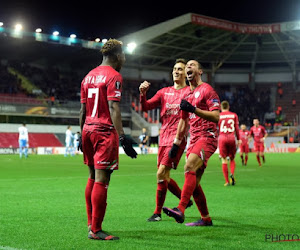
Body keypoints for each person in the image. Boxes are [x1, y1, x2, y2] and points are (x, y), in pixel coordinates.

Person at [79, 39, 137, 241]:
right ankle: (96, 230)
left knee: (92, 176)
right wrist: (123, 137)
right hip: (104, 132)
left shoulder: (87, 77)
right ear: (117, 55)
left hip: (87, 129)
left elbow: (83, 110)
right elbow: (114, 108)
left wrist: (81, 134)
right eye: (124, 55)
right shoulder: (114, 76)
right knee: (102, 180)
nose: (125, 59)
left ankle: (90, 222)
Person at [162, 59, 220, 227]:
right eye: (186, 66)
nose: (188, 67)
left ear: (200, 71)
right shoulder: (187, 95)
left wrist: (194, 109)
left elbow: (216, 116)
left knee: (189, 167)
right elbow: (183, 121)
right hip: (193, 139)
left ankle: (181, 208)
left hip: (207, 136)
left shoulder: (207, 90)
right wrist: (176, 143)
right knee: (194, 184)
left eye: (191, 65)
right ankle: (206, 218)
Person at [139, 58, 193, 222]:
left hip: (177, 138)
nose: (176, 71)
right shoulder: (164, 92)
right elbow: (146, 107)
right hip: (163, 137)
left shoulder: (190, 92)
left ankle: (157, 213)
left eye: (180, 69)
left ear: (185, 74)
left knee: (161, 173)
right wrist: (142, 94)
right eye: (175, 69)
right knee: (164, 176)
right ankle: (185, 200)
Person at [218, 101, 240, 186]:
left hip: (222, 138)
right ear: (228, 107)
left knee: (224, 160)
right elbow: (237, 128)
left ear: (220, 107)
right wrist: (238, 139)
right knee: (232, 159)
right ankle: (232, 174)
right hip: (231, 138)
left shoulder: (218, 115)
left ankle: (227, 181)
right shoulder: (234, 115)